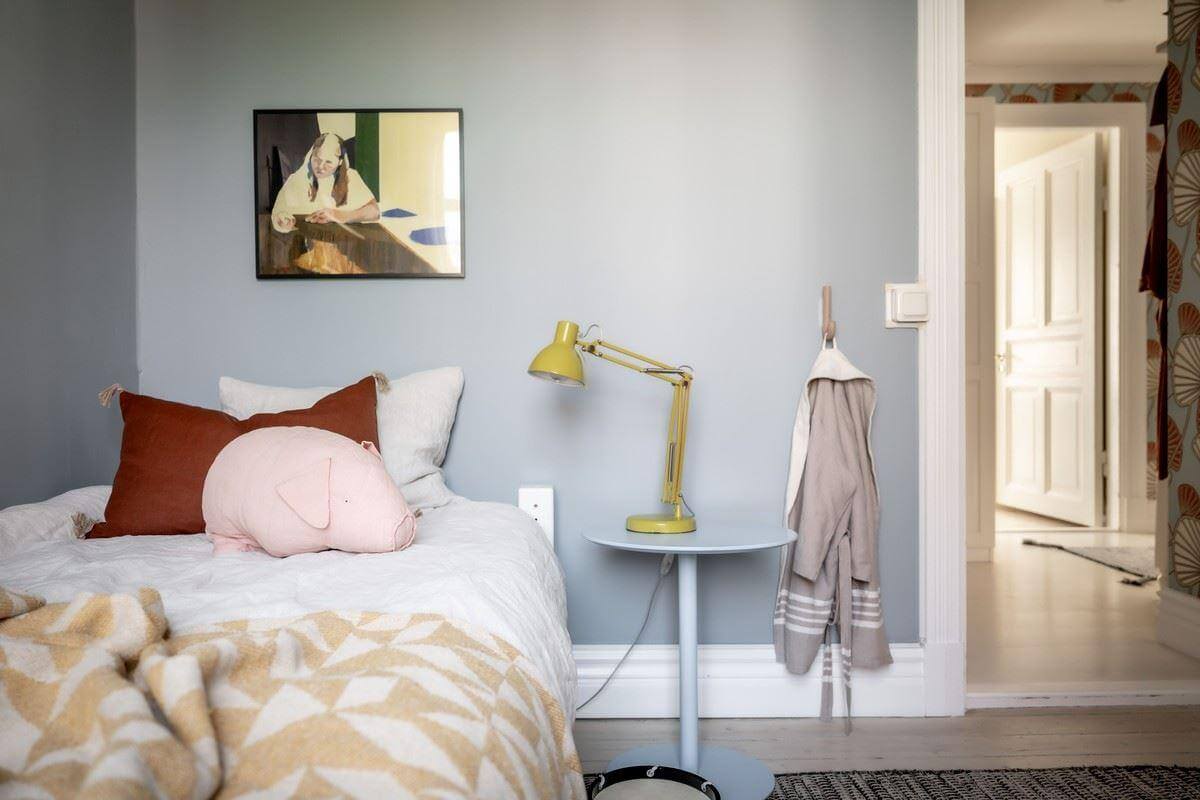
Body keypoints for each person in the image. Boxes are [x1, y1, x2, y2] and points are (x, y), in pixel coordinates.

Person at [271, 133, 379, 233]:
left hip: (343, 242)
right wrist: (282, 220)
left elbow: (374, 211)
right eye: (317, 159)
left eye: (328, 162)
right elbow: (277, 213)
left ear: (340, 162)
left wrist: (340, 215)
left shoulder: (351, 177)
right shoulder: (296, 179)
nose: (320, 167)